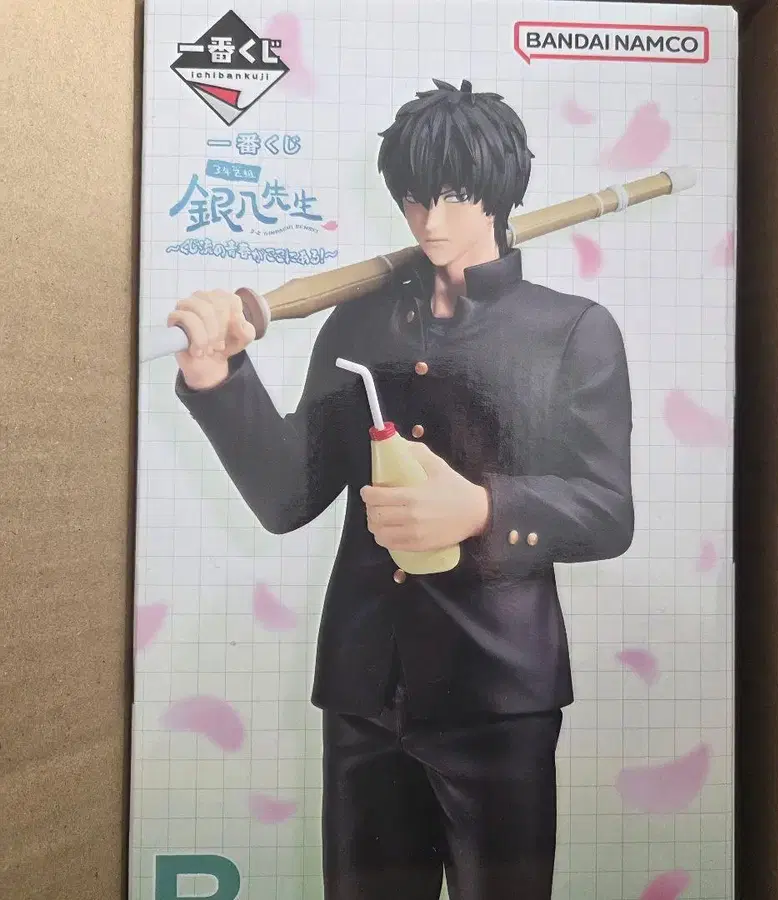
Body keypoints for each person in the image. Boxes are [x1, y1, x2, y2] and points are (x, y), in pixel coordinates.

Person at [168, 78, 634, 900]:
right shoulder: (357, 323)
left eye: (454, 195)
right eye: (415, 198)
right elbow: (287, 497)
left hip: (499, 695)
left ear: (499, 191)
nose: (430, 221)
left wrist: (483, 509)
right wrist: (218, 379)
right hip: (364, 694)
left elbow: (608, 511)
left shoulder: (572, 330)